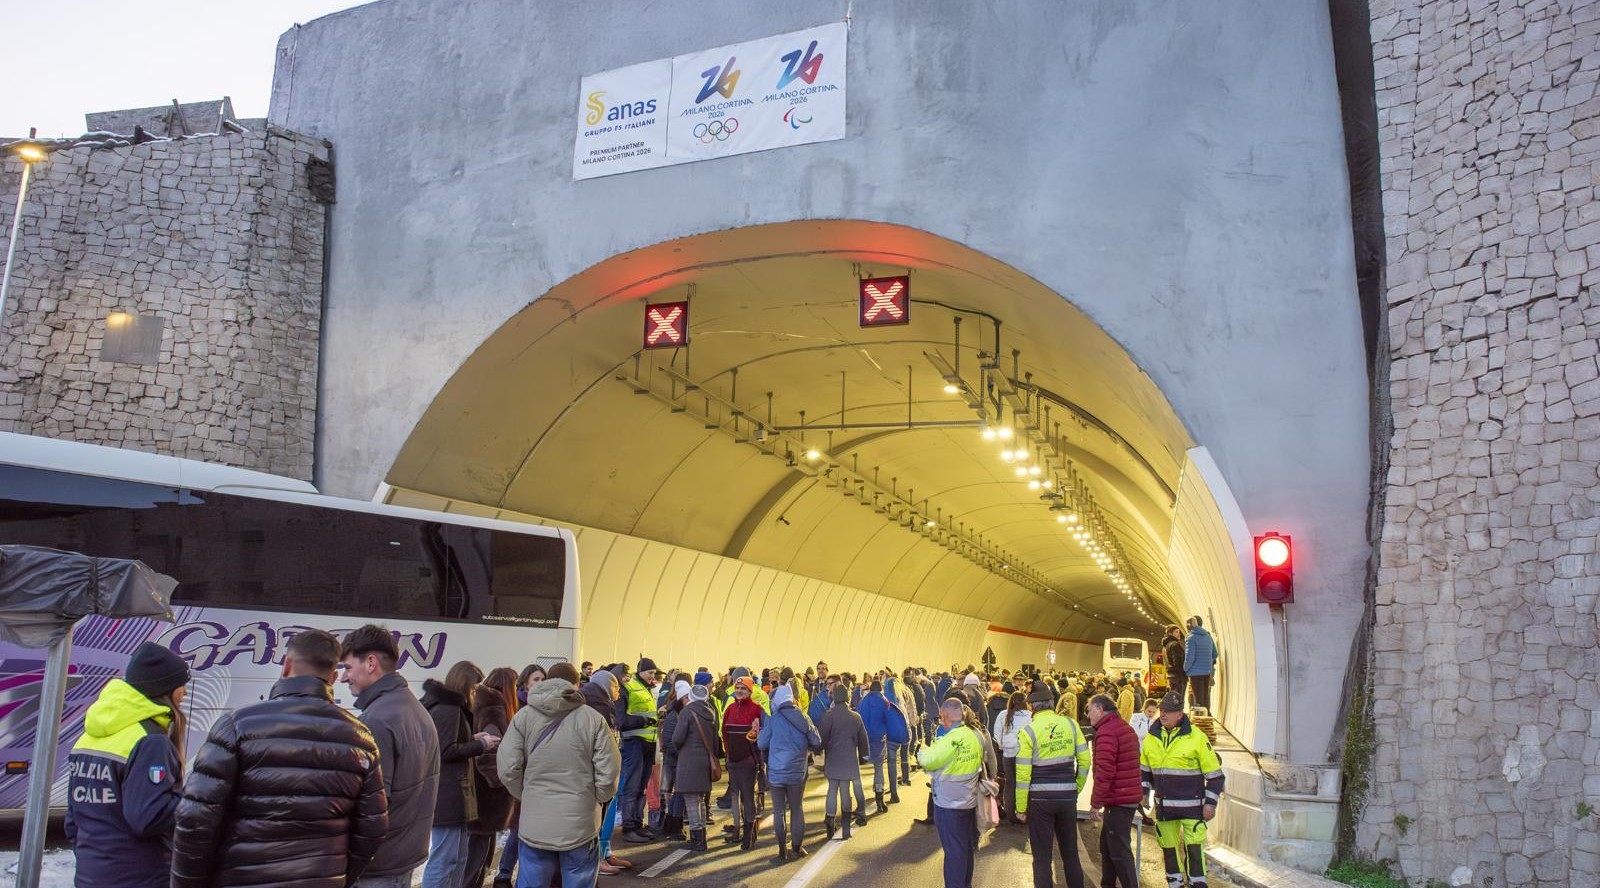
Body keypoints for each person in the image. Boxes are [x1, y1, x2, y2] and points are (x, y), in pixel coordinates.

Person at [172, 630, 388, 888]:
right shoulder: (360, 738)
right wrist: (337, 875)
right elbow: (373, 828)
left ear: (286, 666)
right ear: (332, 678)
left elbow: (196, 819)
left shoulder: (237, 725)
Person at [65, 642, 189, 888]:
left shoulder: (89, 737)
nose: (184, 692)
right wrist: (194, 798)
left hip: (91, 876)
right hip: (140, 878)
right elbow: (149, 817)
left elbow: (72, 821)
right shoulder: (150, 741)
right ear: (164, 687)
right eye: (181, 684)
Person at [498, 662, 619, 888]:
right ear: (577, 684)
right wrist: (598, 798)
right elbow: (609, 771)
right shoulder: (593, 719)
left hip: (535, 823)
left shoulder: (523, 717)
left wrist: (526, 794)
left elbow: (508, 768)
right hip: (580, 823)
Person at [340, 626, 441, 888]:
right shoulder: (413, 707)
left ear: (371, 663)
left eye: (348, 667)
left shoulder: (376, 720)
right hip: (400, 855)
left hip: (378, 865)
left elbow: (372, 807)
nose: (343, 677)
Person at [421, 661, 500, 888]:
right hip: (449, 796)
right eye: (474, 688)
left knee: (457, 858)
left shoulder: (446, 707)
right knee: (445, 860)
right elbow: (445, 750)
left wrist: (472, 739)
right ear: (464, 684)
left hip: (452, 795)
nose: (475, 694)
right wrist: (480, 745)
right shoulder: (449, 709)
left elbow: (447, 742)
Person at [1141, 693, 1226, 888]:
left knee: (1194, 850)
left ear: (1180, 714)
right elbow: (1144, 770)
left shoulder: (1197, 737)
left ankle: (1197, 883)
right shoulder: (1151, 738)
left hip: (1193, 809)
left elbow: (1216, 777)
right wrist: (1144, 792)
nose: (1163, 714)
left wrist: (1210, 804)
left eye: (1169, 711)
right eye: (1162, 710)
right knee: (1169, 849)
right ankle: (1175, 883)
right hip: (1165, 808)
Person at [1015, 680, 1090, 888]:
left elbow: (1023, 775)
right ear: (1051, 703)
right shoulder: (1071, 725)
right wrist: (1076, 787)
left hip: (1040, 801)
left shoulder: (1028, 732)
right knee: (1070, 853)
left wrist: (1021, 808)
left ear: (1032, 706)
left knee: (1042, 857)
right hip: (1067, 797)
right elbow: (1085, 761)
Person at [918, 698, 995, 888]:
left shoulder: (952, 739)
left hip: (948, 804)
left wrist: (922, 750)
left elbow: (928, 760)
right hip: (969, 801)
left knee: (954, 854)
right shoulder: (976, 735)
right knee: (965, 848)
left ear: (945, 715)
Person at [467, 668, 520, 888]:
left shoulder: (482, 705)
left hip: (479, 797)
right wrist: (503, 783)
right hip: (487, 800)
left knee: (478, 858)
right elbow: (488, 756)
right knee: (476, 860)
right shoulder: (494, 711)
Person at [757, 684, 821, 862]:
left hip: (776, 773)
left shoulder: (774, 719)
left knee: (778, 812)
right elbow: (817, 740)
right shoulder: (804, 717)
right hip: (797, 773)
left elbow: (761, 744)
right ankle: (796, 848)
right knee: (796, 808)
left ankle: (781, 850)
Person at [1086, 694, 1142, 888]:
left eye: (1089, 710)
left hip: (1119, 799)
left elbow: (1105, 771)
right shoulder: (1122, 727)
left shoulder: (1107, 732)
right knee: (1108, 847)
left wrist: (1096, 803)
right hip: (1125, 797)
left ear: (1100, 709)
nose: (1088, 715)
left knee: (1119, 852)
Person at [581, 667, 632, 876]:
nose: (618, 691)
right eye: (616, 686)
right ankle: (597, 859)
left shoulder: (602, 702)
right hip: (599, 771)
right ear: (607, 686)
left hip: (605, 768)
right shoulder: (597, 705)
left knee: (607, 813)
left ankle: (605, 853)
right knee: (599, 816)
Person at [670, 683, 721, 852]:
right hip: (705, 762)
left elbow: (677, 738)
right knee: (701, 801)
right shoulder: (711, 712)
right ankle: (702, 838)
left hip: (689, 762)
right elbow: (715, 740)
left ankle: (697, 841)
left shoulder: (687, 712)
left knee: (692, 802)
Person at [817, 684, 870, 840]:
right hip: (849, 759)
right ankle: (846, 829)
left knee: (832, 790)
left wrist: (818, 749)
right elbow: (863, 739)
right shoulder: (856, 717)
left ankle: (830, 821)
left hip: (833, 758)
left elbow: (821, 738)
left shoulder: (829, 716)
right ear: (847, 697)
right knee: (845, 791)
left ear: (834, 697)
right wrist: (864, 756)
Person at [616, 658, 660, 843]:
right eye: (650, 672)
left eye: (654, 673)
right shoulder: (629, 687)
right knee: (632, 787)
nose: (653, 676)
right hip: (634, 743)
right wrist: (644, 721)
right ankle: (629, 827)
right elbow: (621, 721)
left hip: (648, 743)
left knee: (641, 787)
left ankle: (637, 823)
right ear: (640, 672)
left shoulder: (646, 689)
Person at [720, 676, 766, 850]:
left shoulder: (756, 709)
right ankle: (738, 830)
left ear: (750, 691)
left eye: (743, 688)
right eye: (737, 688)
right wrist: (727, 755)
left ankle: (748, 836)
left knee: (747, 797)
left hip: (748, 761)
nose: (739, 691)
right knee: (734, 796)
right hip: (733, 760)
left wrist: (758, 761)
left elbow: (762, 736)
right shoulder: (730, 709)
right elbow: (724, 734)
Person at [991, 690, 1031, 825]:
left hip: (1008, 754)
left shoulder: (1003, 715)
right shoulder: (1030, 716)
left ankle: (1010, 814)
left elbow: (997, 734)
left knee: (1010, 784)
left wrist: (1002, 745)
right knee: (1024, 784)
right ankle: (1023, 812)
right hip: (1025, 756)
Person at [1183, 618, 1218, 713]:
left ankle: (1200, 719)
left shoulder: (1191, 638)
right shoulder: (1208, 636)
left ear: (1188, 626)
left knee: (1198, 699)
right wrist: (1207, 664)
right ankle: (1207, 717)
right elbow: (1215, 654)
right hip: (1207, 672)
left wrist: (1185, 669)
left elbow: (1190, 657)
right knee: (1205, 697)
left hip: (1195, 674)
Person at [1163, 625, 1187, 710]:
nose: (1179, 634)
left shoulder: (1165, 646)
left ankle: (1172, 715)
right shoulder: (1175, 644)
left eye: (1179, 632)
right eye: (1176, 632)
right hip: (1178, 676)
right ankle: (1178, 716)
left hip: (1171, 675)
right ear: (1170, 633)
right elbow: (1178, 662)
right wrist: (1184, 673)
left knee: (1173, 699)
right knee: (1179, 699)